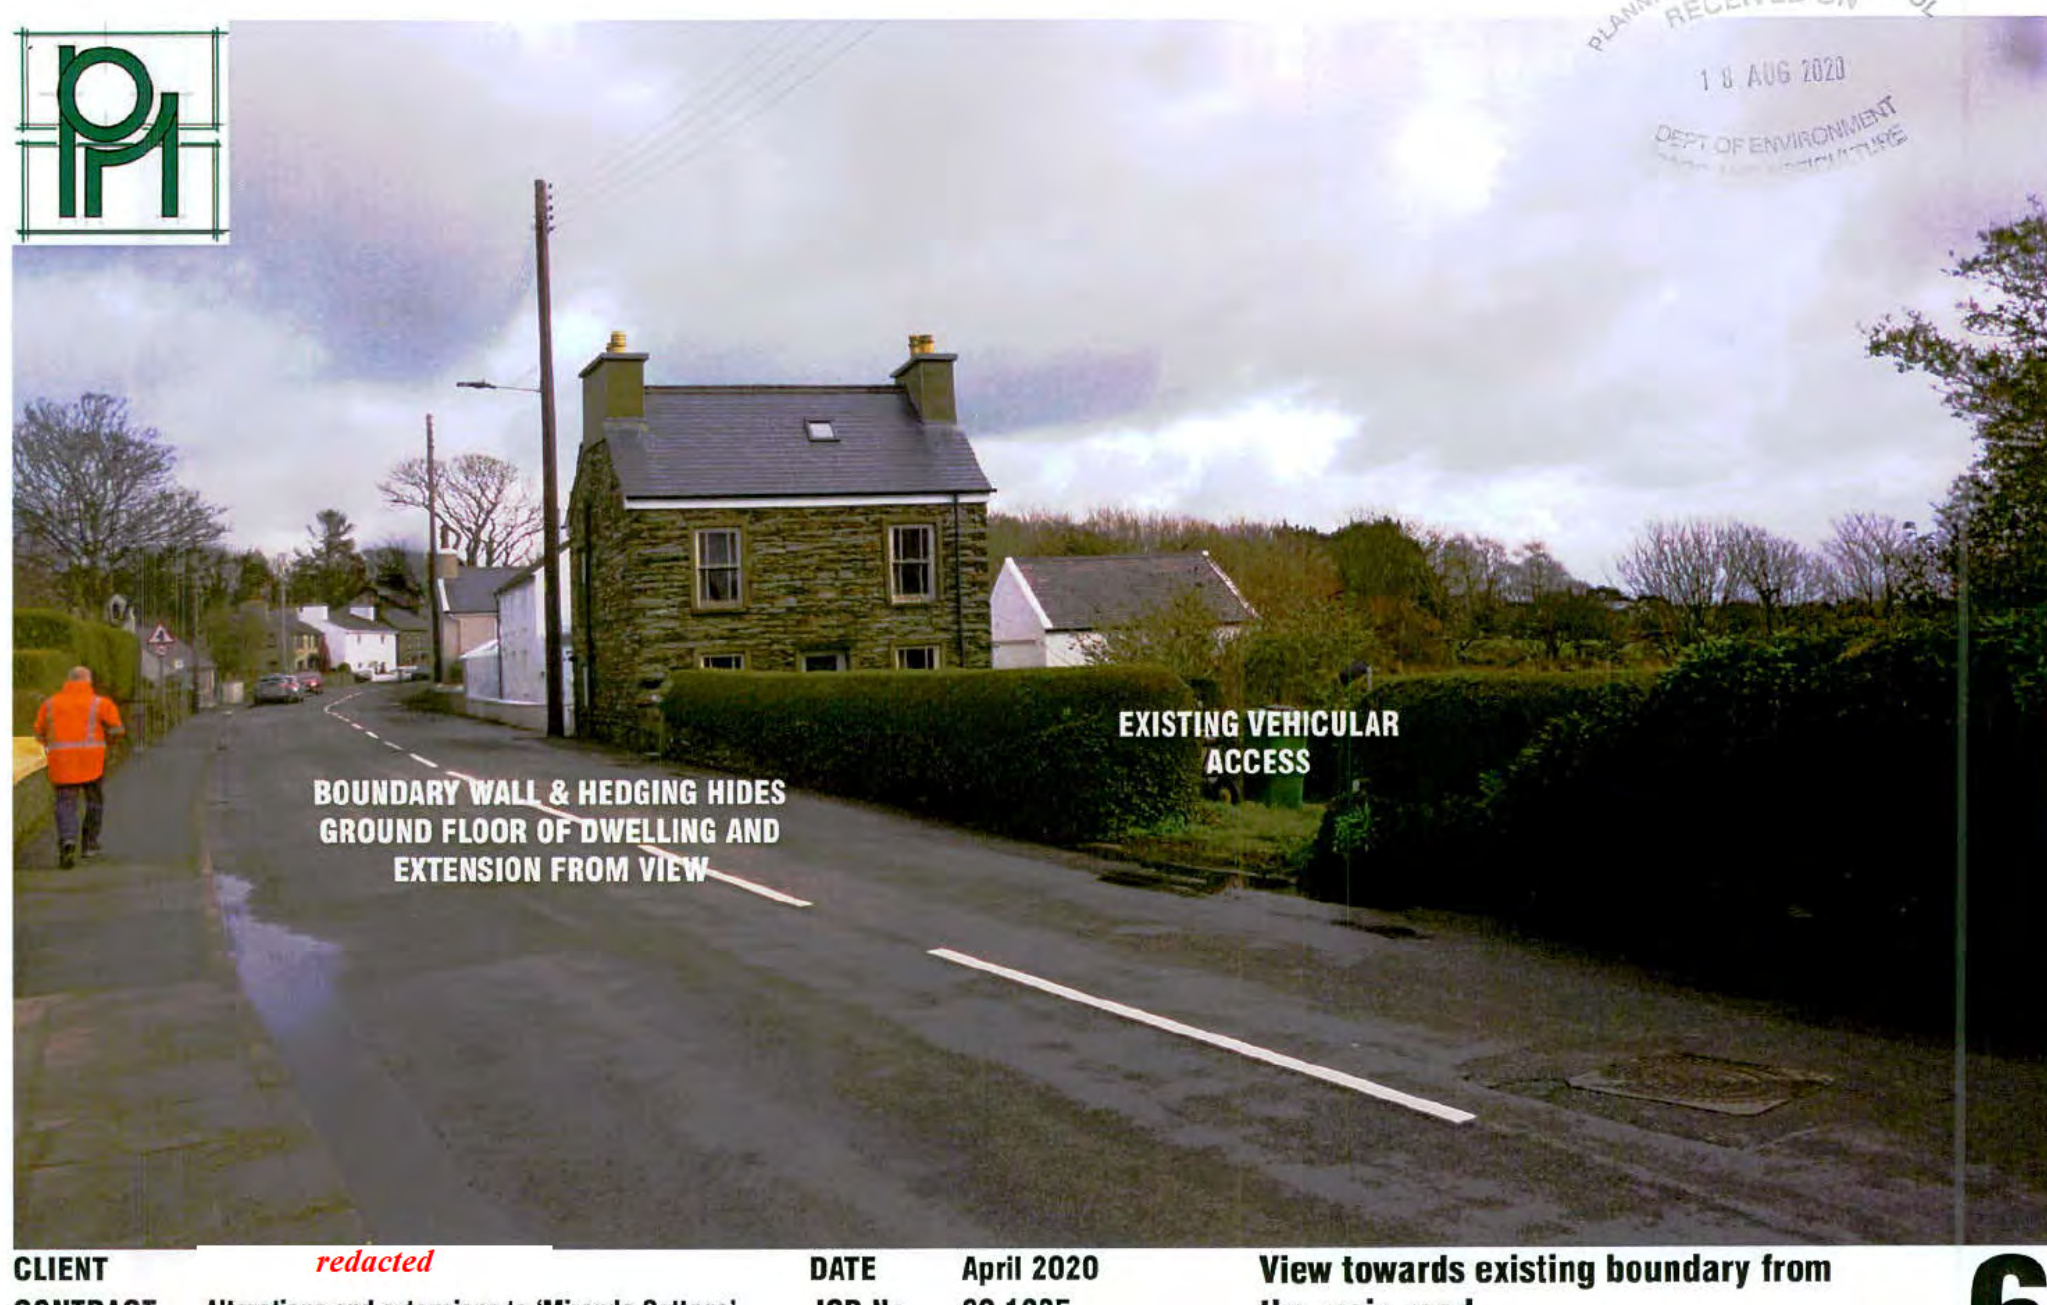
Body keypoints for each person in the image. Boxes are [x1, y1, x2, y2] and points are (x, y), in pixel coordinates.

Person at [33, 666, 125, 869]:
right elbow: (118, 729)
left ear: (68, 681)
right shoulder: (100, 703)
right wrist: (107, 741)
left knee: (65, 803)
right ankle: (89, 844)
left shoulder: (49, 704)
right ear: (88, 682)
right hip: (92, 762)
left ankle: (68, 841)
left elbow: (39, 734)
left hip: (62, 764)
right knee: (94, 802)